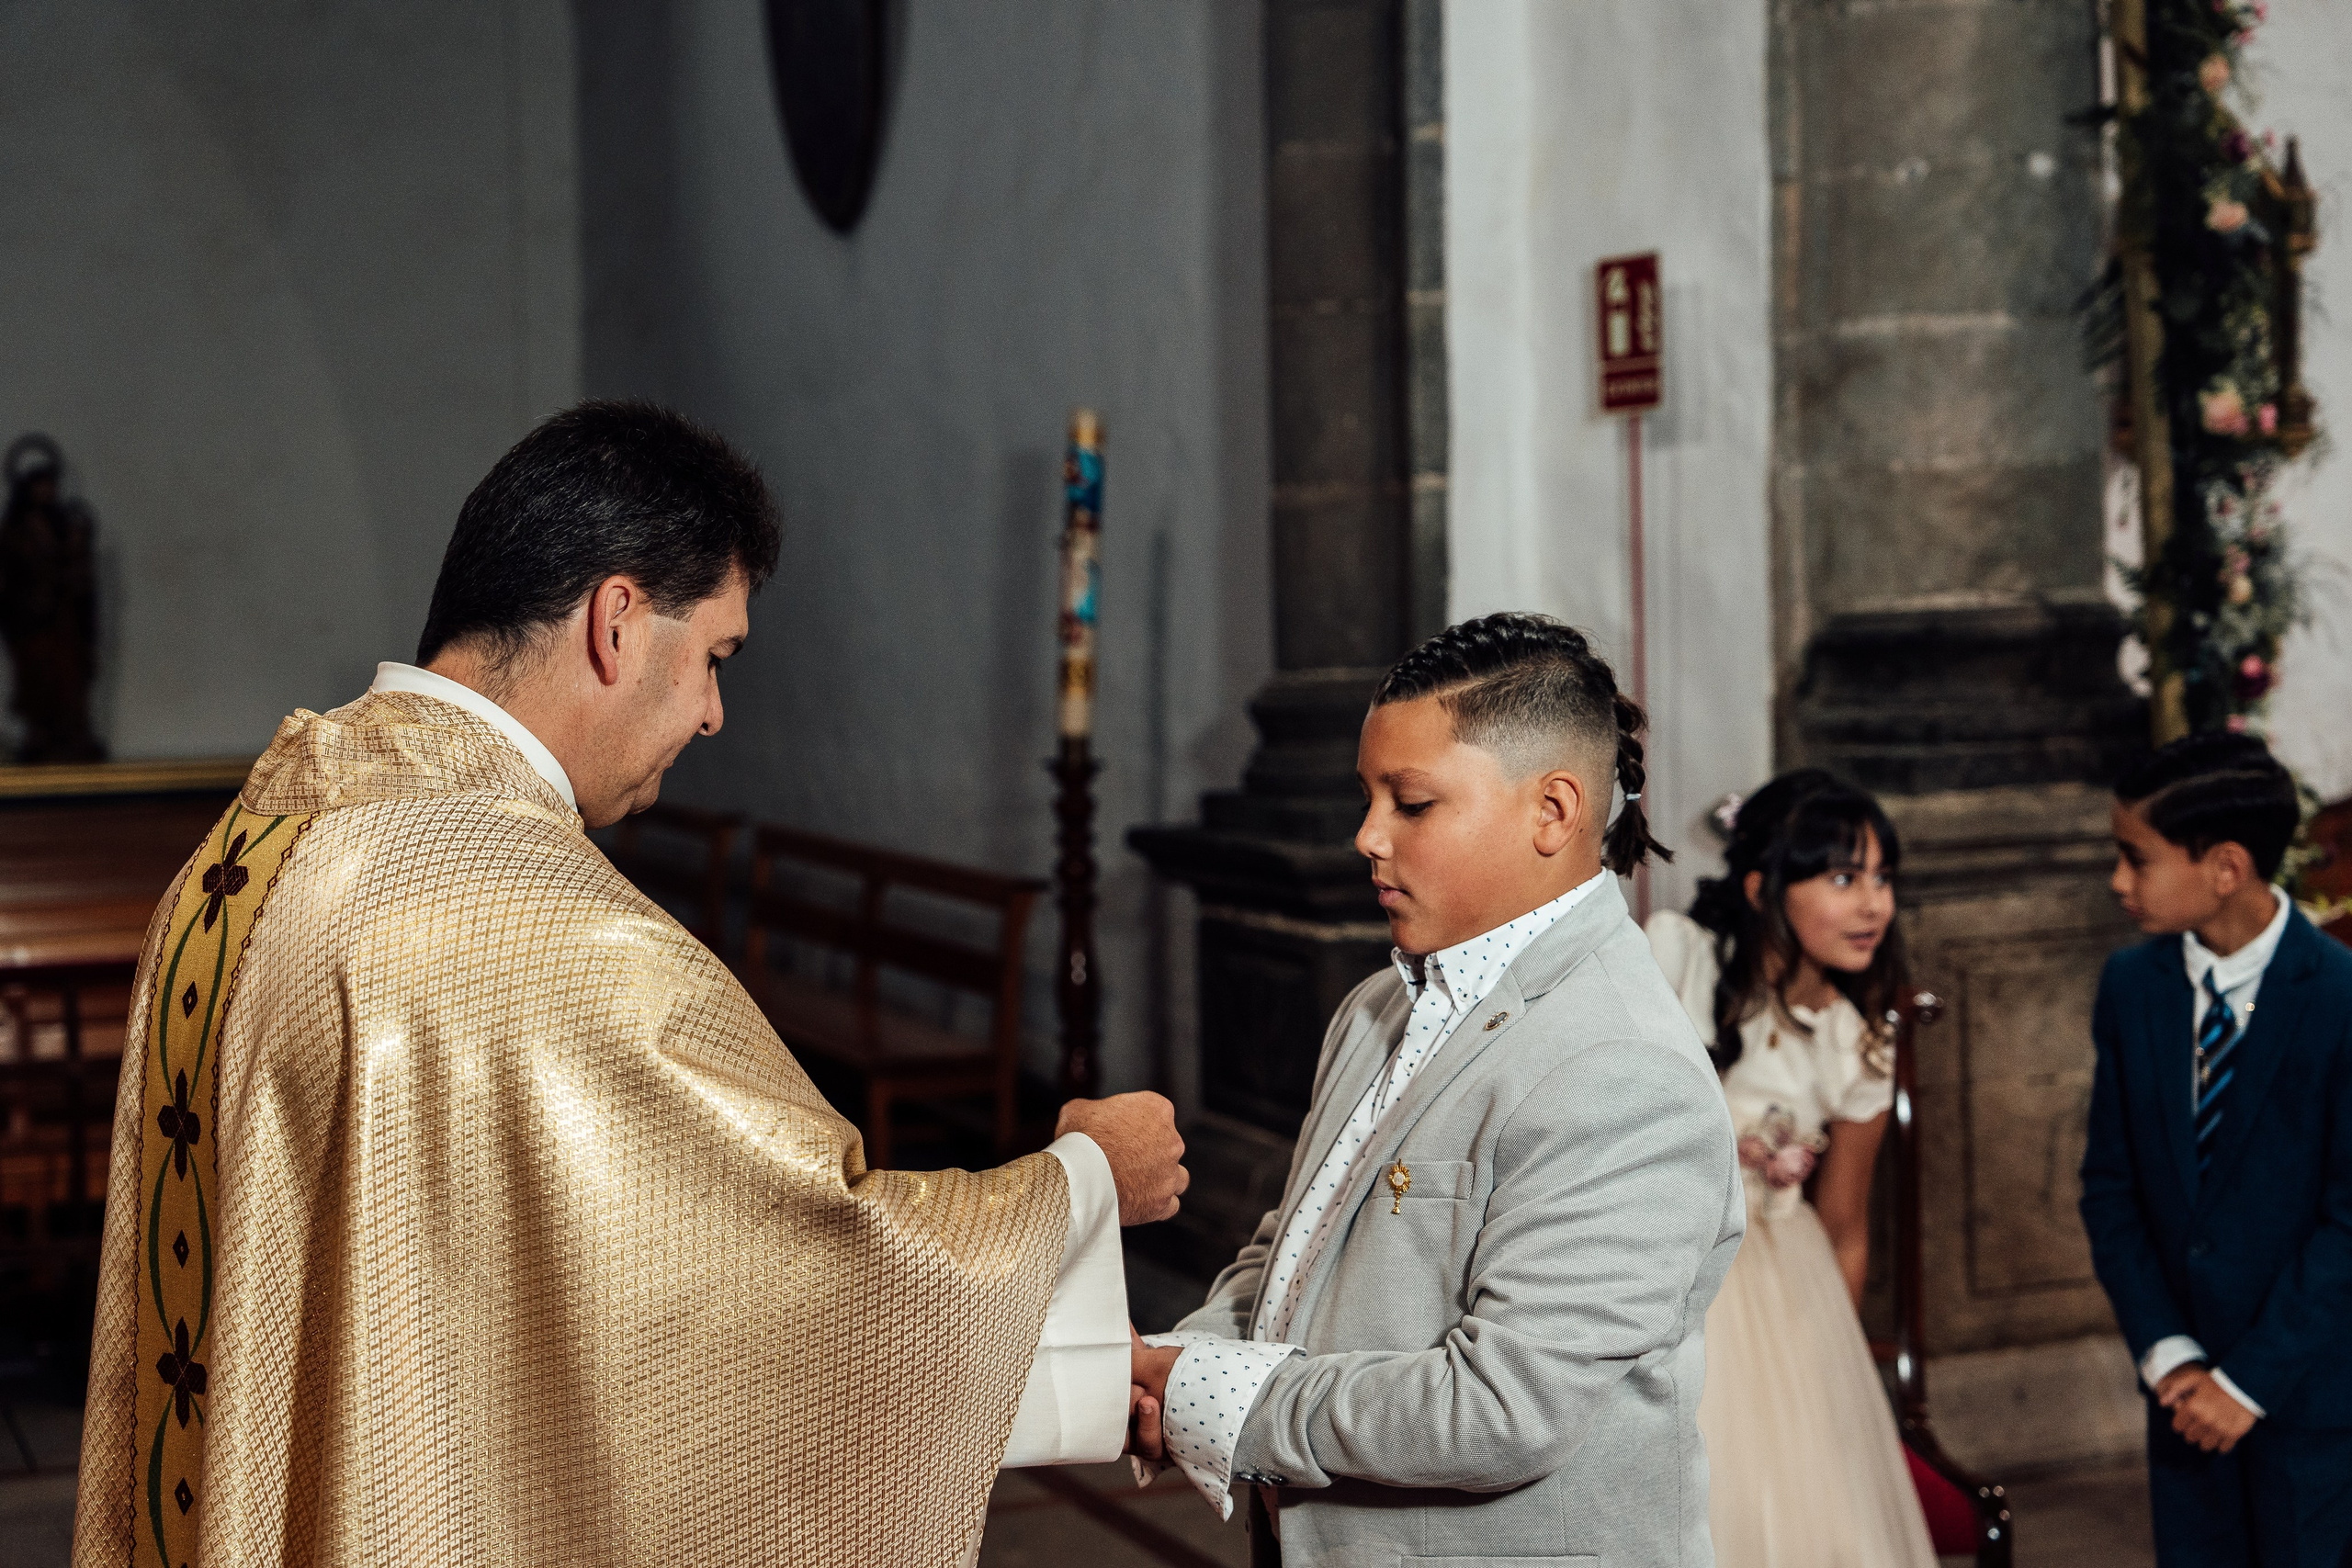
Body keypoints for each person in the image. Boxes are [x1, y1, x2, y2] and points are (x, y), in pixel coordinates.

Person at [73, 401, 1188, 1568]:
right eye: (713, 658)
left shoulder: (244, 857)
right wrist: (1080, 1183)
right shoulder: (546, 934)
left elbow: (542, 1328)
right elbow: (799, 1274)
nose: (711, 713)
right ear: (615, 622)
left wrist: (1079, 1376)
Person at [1126, 613, 1743, 1568]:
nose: (1367, 836)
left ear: (1553, 811)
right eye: (1367, 797)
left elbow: (1501, 1408)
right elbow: (1295, 1248)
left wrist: (1216, 1399)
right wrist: (1176, 1364)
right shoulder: (1377, 1006)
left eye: (1410, 803)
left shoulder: (1622, 1069)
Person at [1645, 771, 1938, 1567]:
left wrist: (1823, 1373)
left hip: (1786, 1286)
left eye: (1883, 878)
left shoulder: (1857, 1039)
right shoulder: (1678, 957)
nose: (1874, 904)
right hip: (1670, 1268)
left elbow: (1845, 1225)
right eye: (1844, 878)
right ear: (1761, 887)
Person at [2081, 732, 2352, 1567]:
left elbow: (2349, 1221)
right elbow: (2110, 1189)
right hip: (2183, 1402)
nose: (2118, 881)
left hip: (2309, 1403)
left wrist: (2245, 1382)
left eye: (2137, 858)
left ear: (2226, 866)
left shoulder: (2341, 998)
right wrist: (2170, 1354)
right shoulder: (2132, 988)